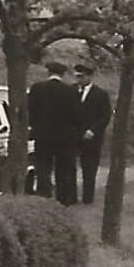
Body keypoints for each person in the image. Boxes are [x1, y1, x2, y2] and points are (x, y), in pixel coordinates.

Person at [26, 61, 84, 205]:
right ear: (63, 74)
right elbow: (77, 115)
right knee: (63, 169)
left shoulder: (37, 89)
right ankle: (62, 199)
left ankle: (43, 197)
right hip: (64, 138)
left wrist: (35, 126)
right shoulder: (70, 92)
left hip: (42, 136)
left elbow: (30, 111)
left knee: (43, 168)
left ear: (48, 73)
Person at [74, 63, 114, 205]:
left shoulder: (100, 94)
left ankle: (87, 198)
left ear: (89, 77)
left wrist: (93, 130)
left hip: (91, 137)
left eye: (82, 77)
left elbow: (105, 116)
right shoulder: (72, 91)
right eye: (77, 76)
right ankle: (71, 196)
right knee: (69, 166)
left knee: (89, 168)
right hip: (73, 135)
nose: (79, 80)